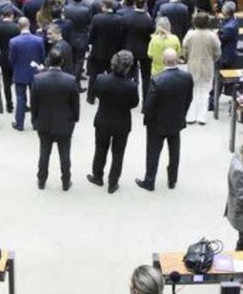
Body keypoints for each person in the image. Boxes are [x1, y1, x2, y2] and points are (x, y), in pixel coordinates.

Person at [136, 49, 193, 192]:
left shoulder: (157, 80)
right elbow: (188, 99)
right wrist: (182, 113)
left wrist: (147, 118)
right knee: (174, 151)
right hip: (176, 119)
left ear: (163, 61)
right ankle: (172, 180)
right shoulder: (187, 77)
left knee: (153, 152)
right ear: (177, 60)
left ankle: (150, 181)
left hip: (157, 122)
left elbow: (149, 105)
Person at [88, 51, 139, 194]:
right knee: (118, 153)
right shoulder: (131, 86)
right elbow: (134, 103)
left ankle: (97, 176)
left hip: (103, 119)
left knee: (100, 149)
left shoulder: (101, 79)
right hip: (122, 122)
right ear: (128, 67)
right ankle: (113, 182)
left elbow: (96, 93)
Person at [31, 48, 80, 190]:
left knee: (44, 153)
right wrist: (74, 121)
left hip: (44, 122)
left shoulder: (38, 79)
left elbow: (34, 103)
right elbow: (75, 104)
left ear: (48, 61)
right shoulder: (70, 80)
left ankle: (41, 180)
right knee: (65, 154)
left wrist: (35, 121)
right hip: (64, 123)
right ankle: (66, 181)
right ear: (62, 62)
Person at [183, 13, 221, 124]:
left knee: (192, 90)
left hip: (193, 64)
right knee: (205, 91)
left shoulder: (190, 34)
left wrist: (186, 58)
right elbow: (218, 52)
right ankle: (202, 117)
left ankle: (190, 116)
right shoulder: (212, 35)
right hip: (207, 65)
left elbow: (184, 49)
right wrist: (213, 59)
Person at [8, 17, 46, 131]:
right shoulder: (38, 40)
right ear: (29, 24)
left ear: (18, 26)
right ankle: (35, 124)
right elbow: (42, 57)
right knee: (34, 99)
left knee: (20, 99)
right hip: (34, 73)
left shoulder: (13, 41)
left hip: (19, 73)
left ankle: (19, 124)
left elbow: (11, 59)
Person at [87, 0, 124, 103]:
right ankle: (111, 97)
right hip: (113, 52)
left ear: (103, 6)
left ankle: (91, 97)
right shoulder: (119, 19)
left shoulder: (96, 18)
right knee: (113, 77)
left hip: (98, 51)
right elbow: (120, 36)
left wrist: (90, 45)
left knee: (94, 76)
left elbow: (92, 35)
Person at [123, 0, 156, 100]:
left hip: (130, 49)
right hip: (145, 51)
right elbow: (152, 34)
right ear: (145, 4)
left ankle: (129, 98)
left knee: (128, 76)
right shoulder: (149, 20)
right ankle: (145, 100)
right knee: (146, 77)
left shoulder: (127, 17)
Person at [0, 9, 21, 113]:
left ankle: (9, 104)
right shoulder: (16, 28)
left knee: (6, 82)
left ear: (1, 16)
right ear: (12, 15)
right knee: (17, 81)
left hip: (2, 58)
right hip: (15, 58)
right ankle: (20, 102)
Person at [63, 0, 93, 88]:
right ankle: (76, 84)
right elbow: (89, 23)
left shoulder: (67, 8)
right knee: (79, 62)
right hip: (81, 37)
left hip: (69, 37)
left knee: (70, 60)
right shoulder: (86, 10)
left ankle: (69, 81)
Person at [217, 1, 240, 69]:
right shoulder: (232, 20)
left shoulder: (229, 27)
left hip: (226, 56)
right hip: (229, 52)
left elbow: (219, 40)